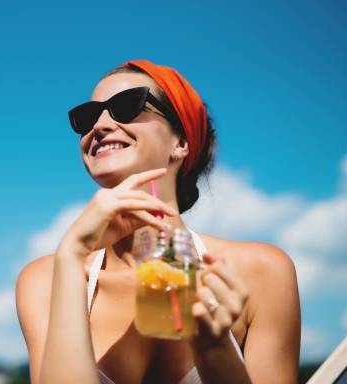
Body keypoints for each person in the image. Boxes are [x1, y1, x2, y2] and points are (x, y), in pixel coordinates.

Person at [15, 60, 301, 384]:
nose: (100, 125)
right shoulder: (48, 279)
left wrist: (214, 349)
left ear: (180, 142)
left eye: (126, 106)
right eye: (88, 116)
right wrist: (73, 252)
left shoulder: (262, 272)